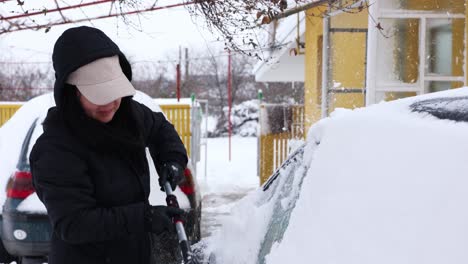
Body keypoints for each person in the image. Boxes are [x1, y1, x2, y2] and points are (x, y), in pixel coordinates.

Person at [29, 26, 188, 264]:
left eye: (114, 92)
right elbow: (74, 224)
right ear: (71, 93)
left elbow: (160, 129)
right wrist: (144, 218)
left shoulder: (128, 116)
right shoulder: (55, 149)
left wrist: (172, 160)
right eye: (98, 95)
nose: (111, 103)